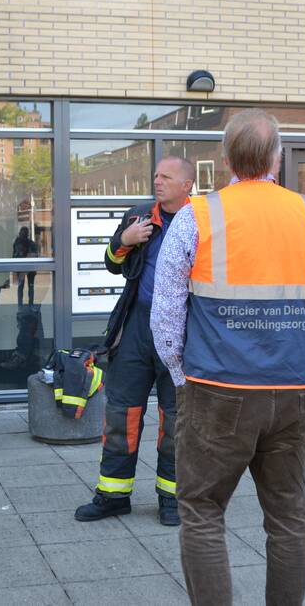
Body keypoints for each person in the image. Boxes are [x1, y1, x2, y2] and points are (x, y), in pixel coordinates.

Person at [151, 110, 305, 606]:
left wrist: (182, 375)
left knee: (201, 510)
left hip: (215, 390)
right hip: (293, 390)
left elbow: (165, 312)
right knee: (287, 516)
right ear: (277, 158)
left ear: (225, 160)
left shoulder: (196, 217)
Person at [74, 156, 195, 527]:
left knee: (176, 420)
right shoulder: (139, 216)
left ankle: (172, 500)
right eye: (156, 175)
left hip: (183, 333)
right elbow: (112, 261)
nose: (157, 181)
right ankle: (112, 496)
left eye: (166, 177)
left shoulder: (203, 221)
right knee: (122, 412)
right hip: (137, 329)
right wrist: (124, 240)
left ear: (187, 185)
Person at [11, 226, 38, 305]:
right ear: (28, 234)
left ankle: (20, 304)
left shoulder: (17, 243)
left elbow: (14, 256)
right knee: (30, 287)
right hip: (30, 268)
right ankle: (30, 304)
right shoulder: (31, 243)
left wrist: (14, 268)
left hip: (21, 268)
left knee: (21, 287)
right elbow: (35, 256)